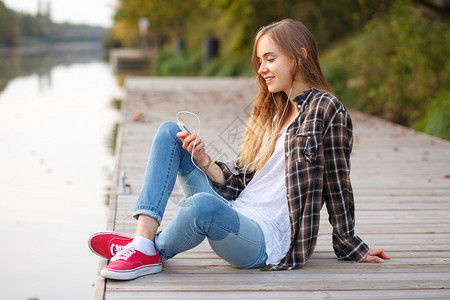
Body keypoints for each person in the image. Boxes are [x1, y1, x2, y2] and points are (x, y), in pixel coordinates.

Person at [88, 18, 389, 280]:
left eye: (270, 59)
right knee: (170, 132)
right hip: (236, 207)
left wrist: (349, 243)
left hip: (265, 241)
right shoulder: (275, 110)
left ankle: (147, 250)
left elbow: (337, 182)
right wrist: (206, 163)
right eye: (260, 61)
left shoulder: (327, 109)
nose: (262, 69)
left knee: (202, 206)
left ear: (300, 55)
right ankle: (142, 242)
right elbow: (247, 178)